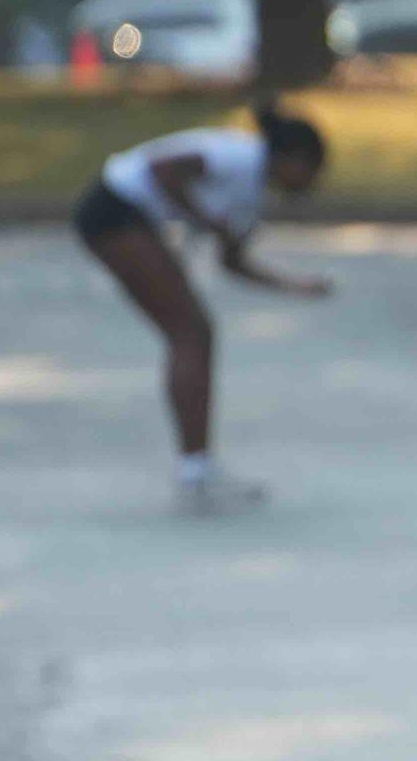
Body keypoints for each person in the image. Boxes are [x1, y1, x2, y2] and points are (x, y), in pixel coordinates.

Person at [71, 101, 334, 514]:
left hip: (134, 219)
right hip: (114, 208)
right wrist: (209, 221)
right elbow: (161, 170)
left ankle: (198, 468)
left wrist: (294, 285)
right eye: (311, 171)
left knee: (194, 332)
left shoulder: (253, 195)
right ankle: (196, 472)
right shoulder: (239, 156)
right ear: (292, 159)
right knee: (191, 332)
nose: (311, 183)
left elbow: (232, 261)